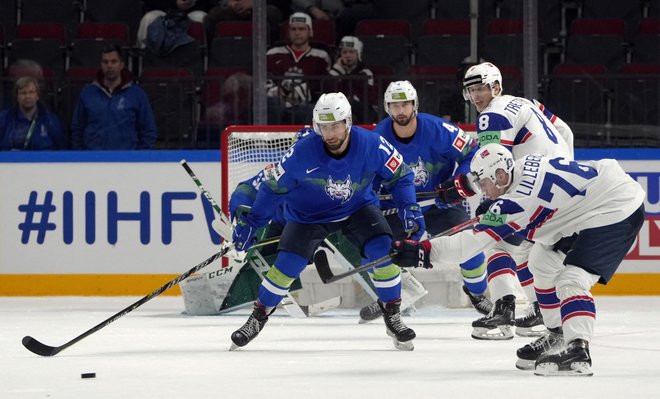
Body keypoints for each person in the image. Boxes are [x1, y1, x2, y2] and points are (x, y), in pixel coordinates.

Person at [391, 143, 645, 376]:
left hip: (615, 207)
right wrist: (475, 195)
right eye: (479, 185)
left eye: (484, 184)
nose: (482, 191)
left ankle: (578, 352)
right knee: (540, 263)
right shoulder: (520, 165)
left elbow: (468, 245)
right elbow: (500, 184)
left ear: (501, 176)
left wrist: (423, 251)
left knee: (572, 280)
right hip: (583, 206)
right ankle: (556, 333)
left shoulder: (517, 201)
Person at [229, 92, 424, 351]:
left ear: (348, 123)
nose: (330, 133)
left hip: (358, 208)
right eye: (323, 127)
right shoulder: (301, 152)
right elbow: (271, 189)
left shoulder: (372, 144)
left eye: (335, 126)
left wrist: (409, 206)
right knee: (286, 267)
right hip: (308, 217)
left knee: (383, 252)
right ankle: (258, 316)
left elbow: (401, 175)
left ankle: (392, 315)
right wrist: (253, 221)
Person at [437, 61, 574, 340]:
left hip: (534, 189)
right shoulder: (529, 103)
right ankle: (540, 311)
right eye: (470, 90)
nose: (475, 97)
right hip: (561, 186)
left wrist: (463, 190)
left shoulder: (491, 115)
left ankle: (503, 312)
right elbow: (566, 132)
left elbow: (494, 163)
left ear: (496, 87)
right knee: (523, 251)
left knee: (493, 238)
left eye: (481, 89)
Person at [358, 80, 491, 324]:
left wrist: (456, 183)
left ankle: (477, 292)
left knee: (471, 245)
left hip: (440, 205)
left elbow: (473, 153)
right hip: (398, 209)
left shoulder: (438, 130)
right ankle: (393, 299)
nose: (401, 110)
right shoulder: (376, 138)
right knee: (372, 253)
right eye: (394, 105)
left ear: (414, 105)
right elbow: (366, 175)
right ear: (387, 108)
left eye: (405, 104)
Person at [71, 44, 158, 150]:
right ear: (101, 64)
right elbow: (77, 128)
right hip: (93, 160)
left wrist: (137, 159)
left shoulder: (137, 94)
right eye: (105, 62)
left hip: (126, 160)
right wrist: (81, 157)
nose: (109, 66)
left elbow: (149, 130)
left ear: (121, 64)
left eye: (113, 61)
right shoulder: (88, 93)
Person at [266, 12, 331, 124]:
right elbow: (264, 77)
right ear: (288, 32)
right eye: (293, 29)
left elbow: (323, 82)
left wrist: (299, 92)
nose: (297, 33)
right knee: (271, 104)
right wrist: (275, 91)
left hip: (306, 104)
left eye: (301, 29)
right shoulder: (273, 53)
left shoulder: (321, 56)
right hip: (278, 102)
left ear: (310, 32)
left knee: (308, 111)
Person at [0, 76, 66, 150]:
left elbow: (61, 150)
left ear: (37, 96)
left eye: (31, 92)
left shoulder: (51, 121)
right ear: (17, 97)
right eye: (23, 93)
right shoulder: (3, 119)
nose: (27, 96)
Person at [328, 36, 377, 123]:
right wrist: (337, 69)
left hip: (363, 112)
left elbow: (367, 96)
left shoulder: (365, 72)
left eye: (351, 52)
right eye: (344, 52)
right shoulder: (337, 71)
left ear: (358, 54)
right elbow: (328, 91)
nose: (348, 55)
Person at [137, 0, 209, 49]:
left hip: (193, 10)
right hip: (163, 10)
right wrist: (174, 3)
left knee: (200, 17)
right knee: (149, 18)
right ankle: (144, 57)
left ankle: (201, 59)